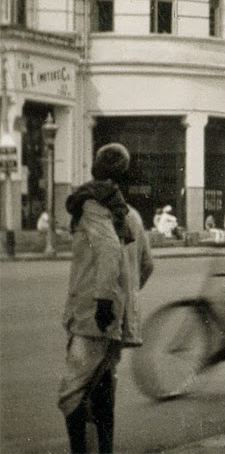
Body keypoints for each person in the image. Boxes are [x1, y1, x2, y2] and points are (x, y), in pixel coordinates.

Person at [59, 143, 152, 454]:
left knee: (71, 394)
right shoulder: (131, 216)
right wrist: (123, 297)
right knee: (102, 387)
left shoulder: (93, 207)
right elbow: (146, 266)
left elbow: (110, 250)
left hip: (93, 316)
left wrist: (104, 300)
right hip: (115, 318)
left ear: (95, 168)